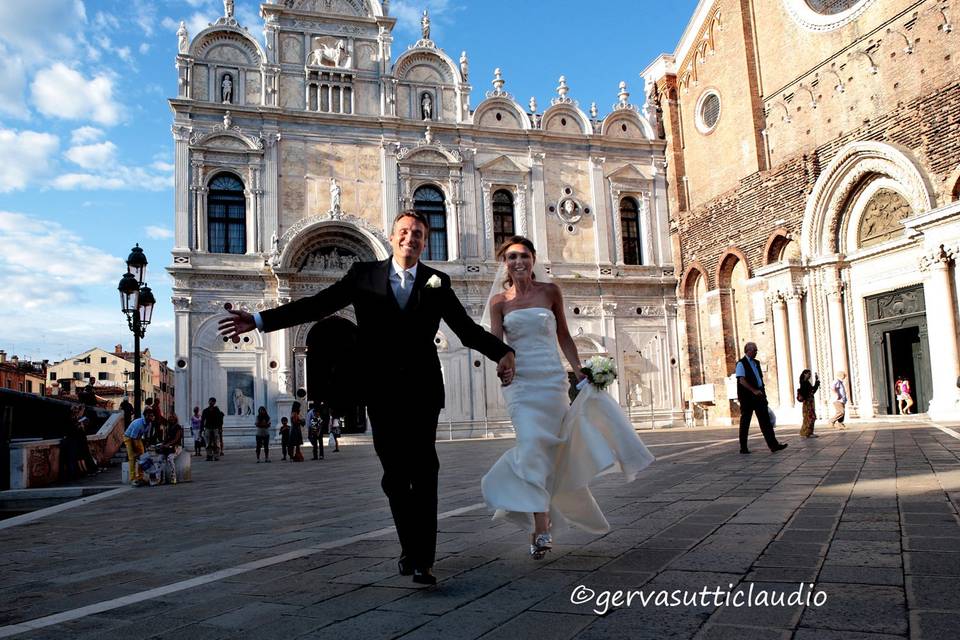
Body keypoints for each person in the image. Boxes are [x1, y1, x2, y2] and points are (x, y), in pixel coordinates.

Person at [219, 209, 516, 586]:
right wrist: (260, 320)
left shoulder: (436, 282)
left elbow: (466, 329)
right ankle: (410, 548)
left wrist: (503, 352)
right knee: (395, 476)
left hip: (423, 391)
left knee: (425, 472)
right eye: (405, 232)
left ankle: (423, 559)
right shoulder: (364, 276)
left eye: (419, 233)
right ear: (393, 238)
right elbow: (316, 305)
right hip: (381, 390)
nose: (411, 238)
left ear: (426, 241)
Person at [480, 236, 655, 559]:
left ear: (534, 259)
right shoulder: (499, 302)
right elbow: (495, 343)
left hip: (551, 380)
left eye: (524, 256)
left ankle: (540, 520)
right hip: (520, 383)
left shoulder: (551, 292)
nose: (518, 262)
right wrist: (501, 363)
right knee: (532, 445)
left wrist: (578, 370)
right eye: (512, 257)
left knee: (553, 451)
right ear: (505, 263)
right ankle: (541, 526)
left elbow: (563, 334)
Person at [735, 342, 788, 454]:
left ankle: (773, 445)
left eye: (756, 350)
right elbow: (742, 380)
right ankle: (743, 447)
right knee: (745, 422)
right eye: (754, 350)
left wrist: (762, 392)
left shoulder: (756, 363)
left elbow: (759, 379)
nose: (756, 352)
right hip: (747, 398)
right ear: (748, 350)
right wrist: (754, 390)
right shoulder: (741, 363)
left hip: (759, 396)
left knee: (765, 421)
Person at [124, 408, 154, 486]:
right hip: (129, 438)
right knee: (132, 458)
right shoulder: (138, 424)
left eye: (152, 416)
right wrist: (135, 451)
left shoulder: (149, 424)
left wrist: (146, 446)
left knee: (142, 457)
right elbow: (133, 438)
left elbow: (147, 436)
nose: (152, 417)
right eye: (150, 416)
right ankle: (133, 478)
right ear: (146, 416)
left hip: (138, 438)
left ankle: (140, 477)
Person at [158, 415, 183, 485]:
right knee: (160, 459)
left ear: (175, 420)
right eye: (170, 420)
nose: (171, 421)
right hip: (168, 447)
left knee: (170, 458)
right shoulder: (168, 428)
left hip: (176, 446)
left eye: (172, 419)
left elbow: (176, 439)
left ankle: (173, 477)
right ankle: (161, 478)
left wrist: (168, 444)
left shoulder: (178, 427)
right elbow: (165, 438)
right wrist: (162, 444)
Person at [797, 370, 821, 438]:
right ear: (804, 374)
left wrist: (816, 383)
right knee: (810, 417)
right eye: (808, 374)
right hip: (808, 402)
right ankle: (807, 433)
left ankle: (808, 432)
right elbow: (807, 392)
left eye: (810, 374)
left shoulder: (807, 382)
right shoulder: (803, 382)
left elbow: (812, 391)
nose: (809, 375)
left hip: (810, 401)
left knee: (810, 417)